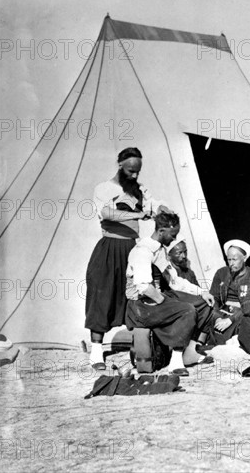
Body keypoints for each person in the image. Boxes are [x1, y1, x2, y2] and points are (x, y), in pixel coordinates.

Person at [85, 147, 170, 370]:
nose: (134, 175)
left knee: (134, 294)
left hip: (131, 249)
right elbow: (106, 214)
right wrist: (138, 214)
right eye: (130, 171)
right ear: (120, 164)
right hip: (110, 247)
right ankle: (96, 352)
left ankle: (139, 346)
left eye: (137, 172)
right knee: (102, 295)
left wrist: (162, 209)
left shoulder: (139, 190)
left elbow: (153, 205)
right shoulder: (104, 188)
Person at [125, 213, 214, 376]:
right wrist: (165, 302)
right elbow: (143, 286)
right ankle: (176, 362)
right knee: (186, 310)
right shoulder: (143, 251)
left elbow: (173, 280)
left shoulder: (158, 249)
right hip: (141, 305)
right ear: (161, 231)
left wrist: (202, 292)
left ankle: (189, 352)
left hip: (156, 298)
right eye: (172, 235)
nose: (173, 238)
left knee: (203, 304)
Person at [208, 239, 250, 345]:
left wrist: (231, 319)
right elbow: (214, 298)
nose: (231, 264)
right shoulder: (221, 273)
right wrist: (218, 317)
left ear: (245, 258)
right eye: (229, 260)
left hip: (241, 314)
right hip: (223, 313)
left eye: (234, 259)